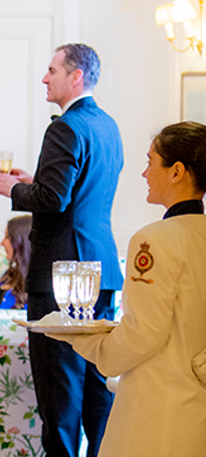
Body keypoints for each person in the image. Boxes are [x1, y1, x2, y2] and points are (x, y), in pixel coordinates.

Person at [0, 43, 122, 457]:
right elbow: (77, 194)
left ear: (76, 77)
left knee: (59, 395)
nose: (45, 78)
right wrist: (37, 181)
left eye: (52, 70)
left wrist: (14, 189)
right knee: (96, 388)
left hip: (62, 276)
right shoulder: (108, 126)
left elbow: (53, 199)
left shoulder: (64, 127)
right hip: (100, 272)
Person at [50, 122, 206, 457]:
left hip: (158, 413)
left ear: (177, 171)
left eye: (151, 162)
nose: (144, 173)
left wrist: (81, 338)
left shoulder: (153, 240)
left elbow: (141, 335)